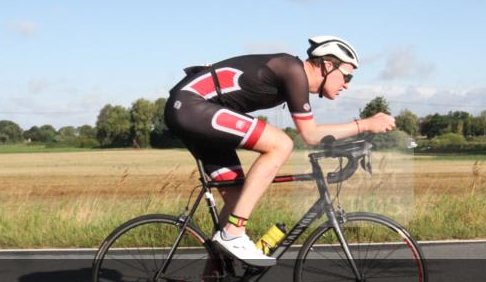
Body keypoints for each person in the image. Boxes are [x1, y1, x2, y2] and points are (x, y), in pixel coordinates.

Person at [164, 36, 395, 266]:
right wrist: (365, 124)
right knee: (281, 144)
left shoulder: (292, 75)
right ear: (327, 65)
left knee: (236, 196)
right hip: (191, 106)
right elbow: (310, 134)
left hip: (196, 112)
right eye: (347, 75)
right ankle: (234, 233)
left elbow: (316, 135)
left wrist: (351, 143)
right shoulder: (293, 70)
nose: (347, 84)